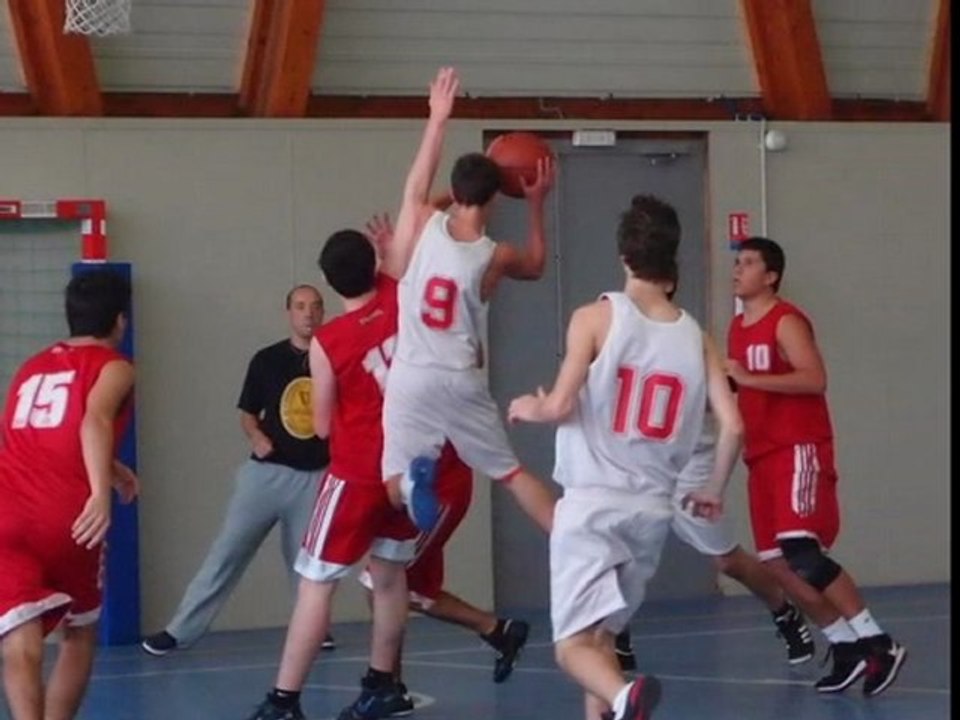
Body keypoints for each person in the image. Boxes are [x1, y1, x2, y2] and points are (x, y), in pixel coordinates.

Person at [508, 194, 744, 720]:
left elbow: (560, 405)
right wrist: (712, 489)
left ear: (623, 256)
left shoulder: (594, 318)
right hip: (651, 512)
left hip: (593, 505)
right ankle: (613, 705)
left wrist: (531, 406)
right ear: (672, 261)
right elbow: (733, 425)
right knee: (602, 638)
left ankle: (623, 698)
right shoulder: (697, 338)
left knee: (572, 647)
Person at [246, 230, 422, 720]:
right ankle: (384, 684)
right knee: (389, 575)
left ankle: (284, 699)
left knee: (315, 583)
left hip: (356, 473)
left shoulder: (329, 341)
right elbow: (398, 260)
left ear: (327, 281)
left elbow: (322, 425)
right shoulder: (399, 300)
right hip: (403, 468)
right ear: (375, 266)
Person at [725, 236, 907, 696]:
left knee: (801, 550)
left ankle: (878, 642)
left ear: (770, 276)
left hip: (796, 447)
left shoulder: (785, 320)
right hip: (759, 455)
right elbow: (744, 388)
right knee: (778, 565)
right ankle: (844, 645)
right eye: (737, 262)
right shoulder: (737, 328)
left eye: (748, 263)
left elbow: (814, 377)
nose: (738, 269)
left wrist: (748, 378)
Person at [379, 65, 556, 536]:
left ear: (454, 194)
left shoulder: (422, 222)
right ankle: (573, 541)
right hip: (460, 378)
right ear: (496, 198)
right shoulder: (495, 256)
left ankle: (413, 481)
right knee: (512, 474)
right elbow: (537, 266)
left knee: (392, 483)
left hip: (411, 372)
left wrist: (438, 118)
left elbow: (418, 189)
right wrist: (536, 203)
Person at [357, 213, 531, 689]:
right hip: (414, 472)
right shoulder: (397, 303)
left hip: (442, 474)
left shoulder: (416, 315)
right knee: (404, 585)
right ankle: (496, 630)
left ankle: (389, 684)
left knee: (385, 581)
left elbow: (472, 354)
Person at [615, 279, 814, 671]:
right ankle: (615, 633)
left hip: (692, 461)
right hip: (642, 459)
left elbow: (727, 410)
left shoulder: (691, 339)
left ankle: (783, 609)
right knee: (618, 544)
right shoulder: (617, 333)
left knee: (726, 561)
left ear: (667, 287)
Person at [142, 285, 333, 656]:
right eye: (300, 306)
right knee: (227, 551)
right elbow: (247, 414)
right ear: (289, 313)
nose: (308, 313)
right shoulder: (267, 360)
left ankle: (315, 629)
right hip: (266, 475)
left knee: (309, 564)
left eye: (315, 306)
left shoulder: (335, 360)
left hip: (314, 476)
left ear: (323, 312)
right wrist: (256, 437)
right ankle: (180, 631)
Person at [0, 269, 138, 720]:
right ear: (120, 320)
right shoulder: (115, 366)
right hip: (64, 517)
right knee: (79, 633)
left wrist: (112, 469)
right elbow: (93, 420)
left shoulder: (31, 366)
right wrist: (100, 492)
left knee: (20, 636)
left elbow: (39, 436)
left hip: (6, 511)